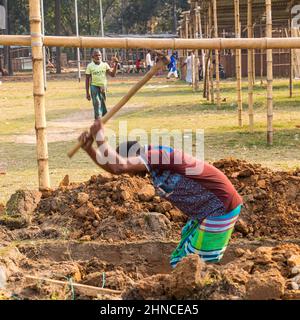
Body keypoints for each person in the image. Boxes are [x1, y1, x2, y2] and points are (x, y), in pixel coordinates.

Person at [78, 119, 243, 268]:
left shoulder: (159, 155)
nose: (132, 176)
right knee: (183, 262)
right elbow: (116, 169)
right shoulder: (154, 164)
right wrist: (89, 149)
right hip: (206, 212)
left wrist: (100, 136)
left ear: (136, 157)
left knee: (192, 266)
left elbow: (119, 167)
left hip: (221, 207)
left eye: (132, 168)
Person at [85, 50, 118, 119]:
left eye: (99, 55)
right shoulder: (90, 66)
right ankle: (97, 120)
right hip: (94, 86)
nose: (98, 57)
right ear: (92, 57)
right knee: (97, 102)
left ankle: (104, 117)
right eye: (96, 55)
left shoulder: (105, 65)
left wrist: (116, 64)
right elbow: (87, 79)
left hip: (103, 86)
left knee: (102, 102)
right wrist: (87, 93)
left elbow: (113, 75)